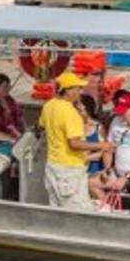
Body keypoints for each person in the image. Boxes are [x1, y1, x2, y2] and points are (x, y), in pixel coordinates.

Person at [42, 72, 113, 211]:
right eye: (77, 88)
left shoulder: (48, 106)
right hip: (69, 169)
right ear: (68, 91)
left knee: (56, 209)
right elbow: (74, 143)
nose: (80, 91)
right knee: (78, 212)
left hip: (52, 165)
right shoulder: (70, 113)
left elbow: (42, 126)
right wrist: (102, 145)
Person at [78, 94, 112, 201]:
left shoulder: (98, 128)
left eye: (80, 110)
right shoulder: (74, 126)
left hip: (93, 170)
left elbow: (105, 149)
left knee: (91, 184)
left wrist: (88, 157)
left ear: (87, 110)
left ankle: (106, 211)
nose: (77, 113)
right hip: (77, 168)